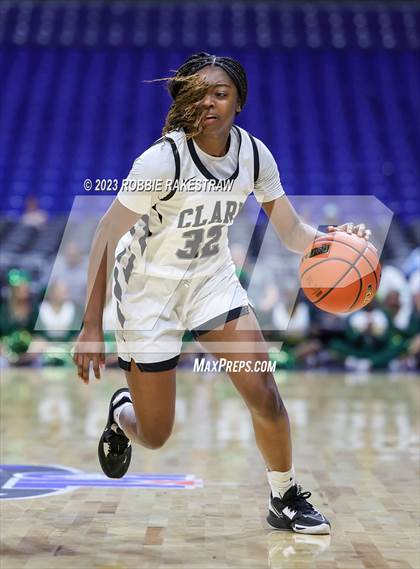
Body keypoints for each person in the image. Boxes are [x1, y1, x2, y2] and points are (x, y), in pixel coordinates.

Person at [72, 52, 372, 535]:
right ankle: (120, 412)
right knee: (155, 434)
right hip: (149, 291)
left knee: (264, 392)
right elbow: (105, 234)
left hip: (211, 278)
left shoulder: (253, 155)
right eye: (199, 93)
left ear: (239, 103)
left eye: (221, 93)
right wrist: (91, 325)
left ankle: (285, 497)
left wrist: (336, 240)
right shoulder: (162, 159)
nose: (209, 102)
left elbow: (293, 233)